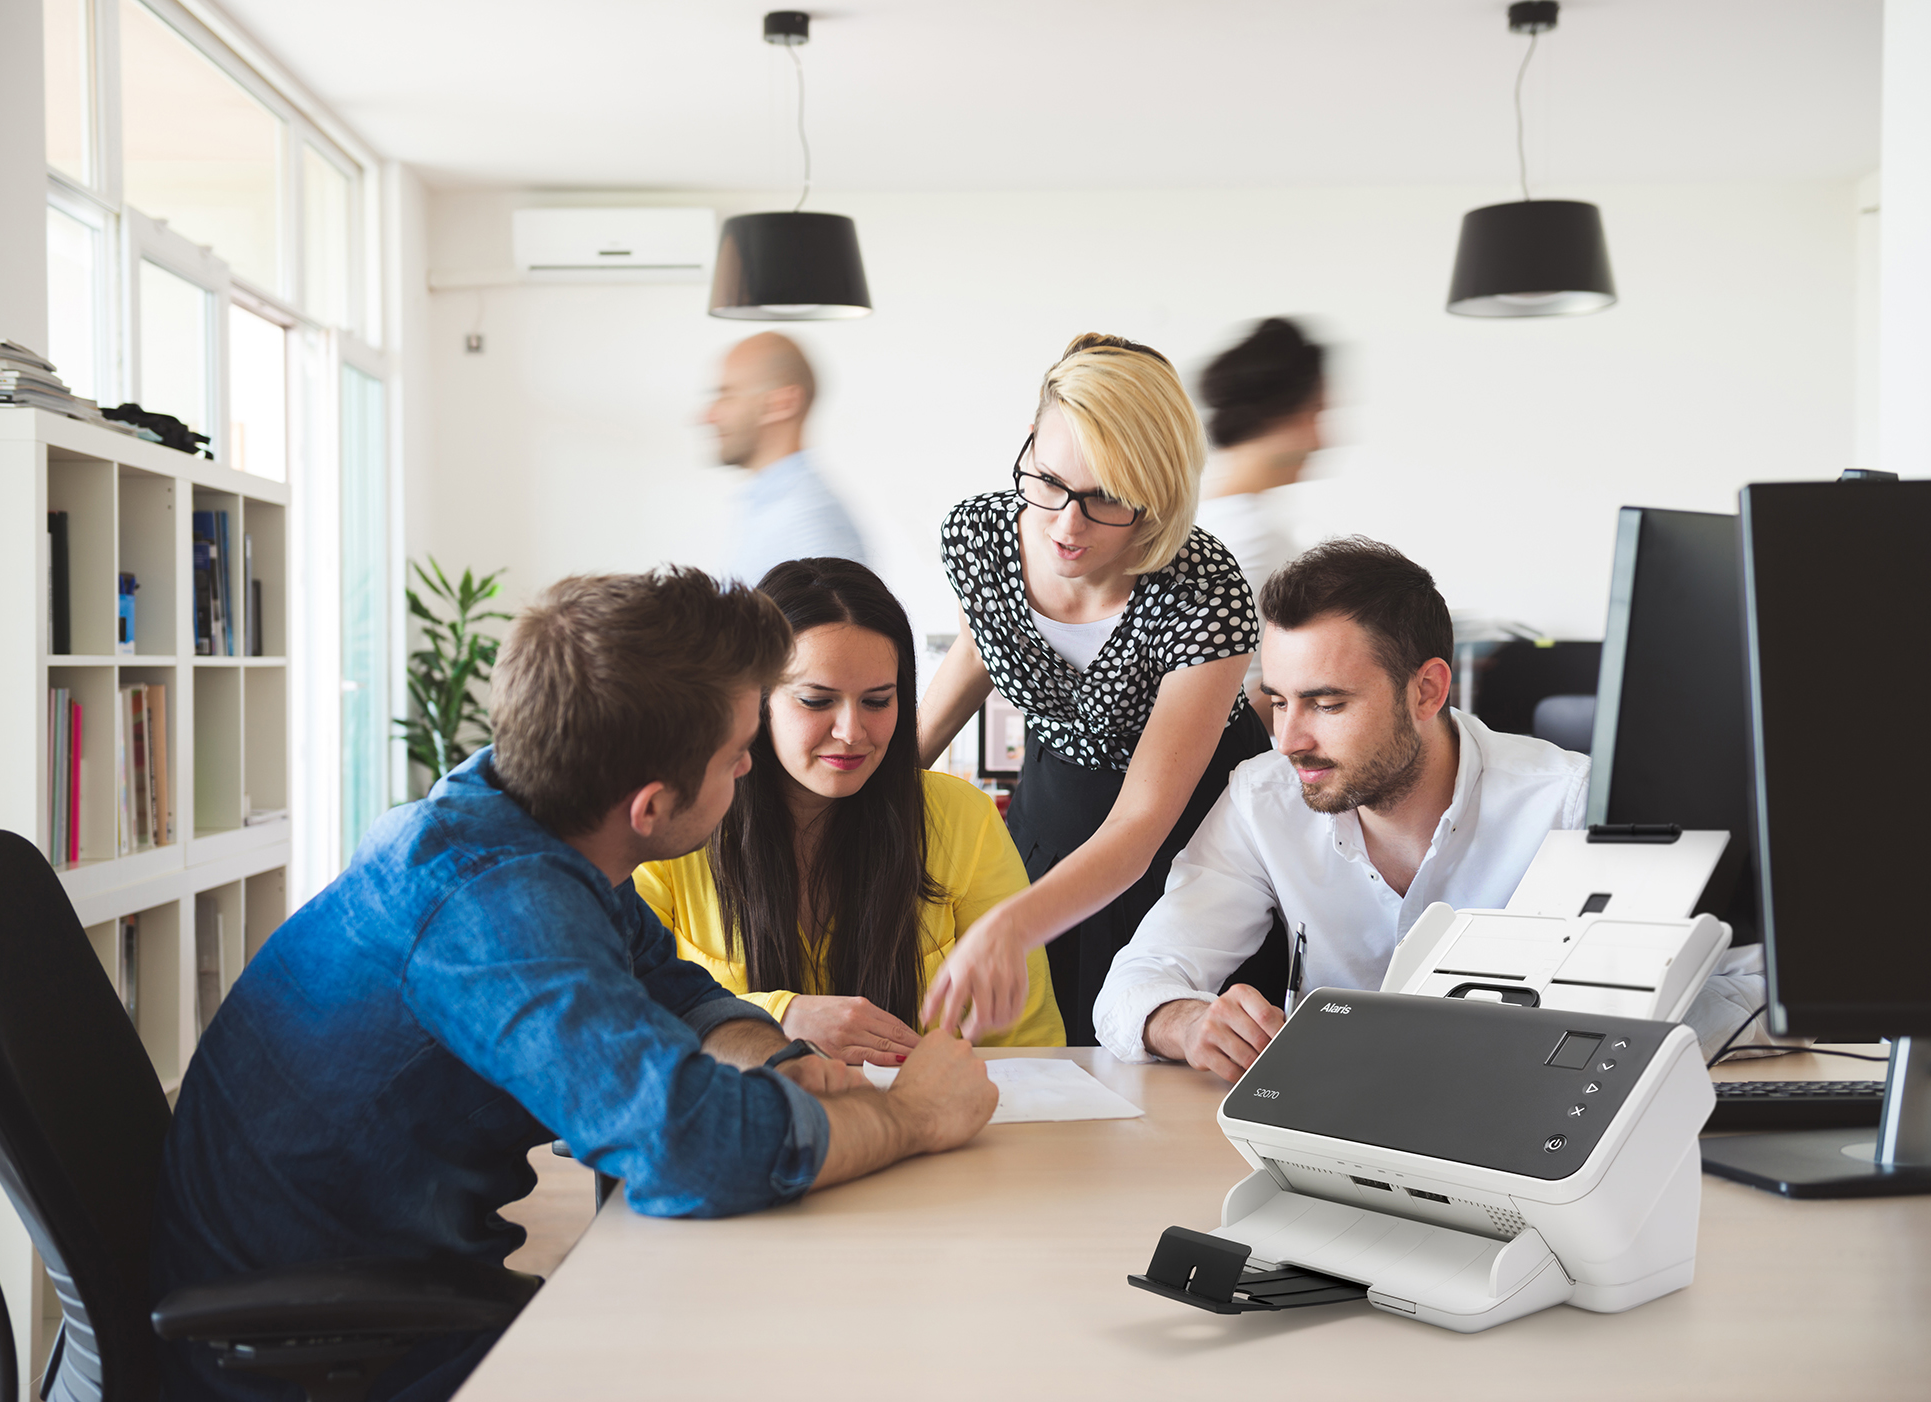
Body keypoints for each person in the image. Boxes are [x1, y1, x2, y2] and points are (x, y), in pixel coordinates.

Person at [152, 568, 997, 1402]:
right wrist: (911, 1117)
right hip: (308, 1353)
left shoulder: (520, 812)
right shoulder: (495, 914)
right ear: (653, 806)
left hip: (382, 1286)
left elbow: (672, 987)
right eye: (737, 753)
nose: (750, 768)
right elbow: (690, 1149)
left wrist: (778, 1061)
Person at [1091, 538, 1592, 1080]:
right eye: (1279, 702)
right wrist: (1186, 1022)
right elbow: (1133, 982)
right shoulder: (1264, 800)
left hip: (1516, 1114)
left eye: (1327, 704)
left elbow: (1689, 998)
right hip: (1322, 1130)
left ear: (1427, 691)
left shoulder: (1565, 803)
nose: (1287, 741)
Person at [918, 333, 1272, 1047]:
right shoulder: (978, 535)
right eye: (1049, 481)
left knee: (1161, 1058)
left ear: (1159, 490)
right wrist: (884, 781)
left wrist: (1010, 925)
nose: (1067, 524)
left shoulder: (1205, 590)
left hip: (1188, 836)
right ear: (1029, 443)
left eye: (1108, 496)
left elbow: (1140, 825)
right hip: (1055, 807)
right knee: (1047, 1057)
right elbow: (978, 650)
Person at [638, 558, 1064, 1060]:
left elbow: (1030, 1048)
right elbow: (613, 1022)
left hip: (937, 1131)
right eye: (817, 701)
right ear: (757, 701)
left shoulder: (961, 818)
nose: (852, 732)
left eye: (878, 702)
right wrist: (778, 1016)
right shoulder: (673, 825)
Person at [1194, 317, 1327, 736]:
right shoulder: (1252, 535)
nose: (1321, 439)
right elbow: (1206, 696)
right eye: (1315, 414)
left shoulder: (1202, 516)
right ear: (1280, 415)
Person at [704, 331, 867, 584]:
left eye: (728, 396)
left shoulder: (809, 525)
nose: (708, 416)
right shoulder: (770, 508)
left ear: (782, 403)